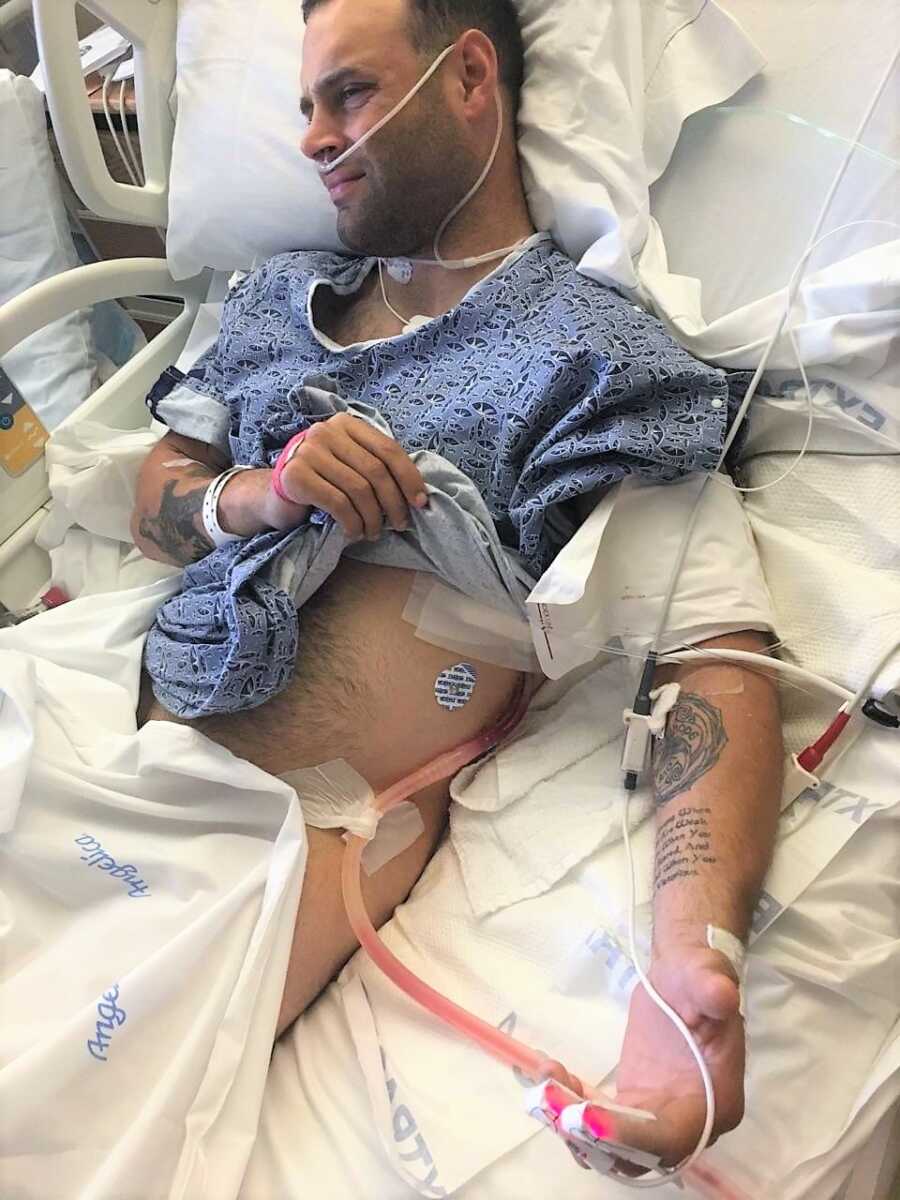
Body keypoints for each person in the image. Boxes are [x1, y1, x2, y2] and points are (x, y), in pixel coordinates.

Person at [132, 0, 783, 1175]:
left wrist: (694, 965)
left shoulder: (588, 358)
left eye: (352, 94)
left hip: (252, 852)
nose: (318, 138)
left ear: (469, 75)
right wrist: (256, 495)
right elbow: (158, 491)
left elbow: (714, 653)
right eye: (305, 109)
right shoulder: (273, 302)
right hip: (96, 738)